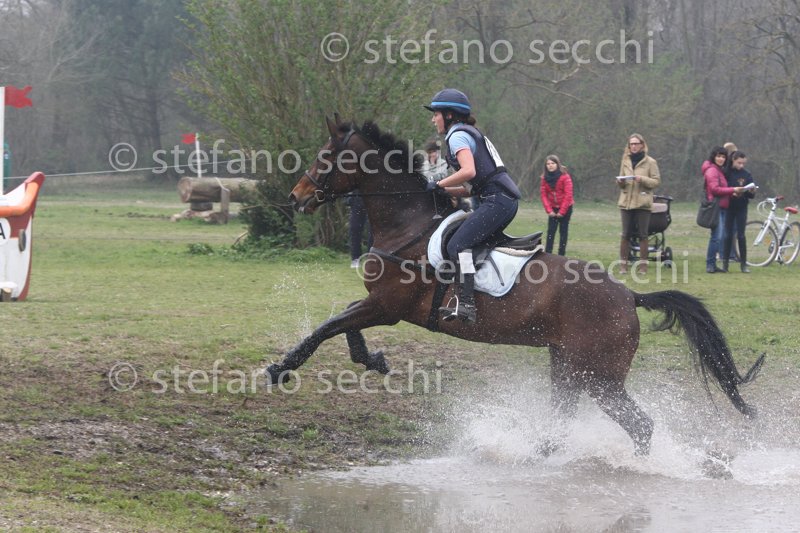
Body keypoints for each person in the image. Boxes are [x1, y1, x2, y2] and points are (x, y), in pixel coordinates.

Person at [424, 88, 521, 324]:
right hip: (502, 201)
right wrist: (444, 190)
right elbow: (470, 188)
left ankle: (467, 304)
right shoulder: (468, 133)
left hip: (497, 201)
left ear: (449, 115)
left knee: (458, 244)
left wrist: (439, 183)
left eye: (436, 114)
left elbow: (468, 171)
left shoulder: (457, 136)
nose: (433, 119)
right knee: (467, 243)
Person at [616, 133, 661, 274]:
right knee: (625, 234)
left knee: (643, 235)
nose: (634, 146)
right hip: (626, 202)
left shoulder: (651, 162)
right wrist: (620, 182)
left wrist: (642, 179)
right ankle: (623, 265)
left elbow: (656, 181)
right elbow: (621, 182)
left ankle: (643, 267)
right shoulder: (625, 160)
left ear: (642, 145)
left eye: (636, 143)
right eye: (631, 144)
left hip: (643, 203)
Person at [703, 146, 745, 273]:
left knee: (718, 236)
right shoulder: (712, 171)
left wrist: (732, 193)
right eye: (718, 156)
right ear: (713, 157)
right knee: (716, 237)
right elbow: (715, 189)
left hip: (722, 207)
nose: (721, 159)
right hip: (715, 207)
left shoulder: (719, 170)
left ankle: (712, 264)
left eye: (723, 157)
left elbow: (721, 190)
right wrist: (732, 189)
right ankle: (710, 265)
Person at [722, 150, 756, 273]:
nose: (741, 165)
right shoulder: (726, 173)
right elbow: (722, 189)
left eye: (743, 163)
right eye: (739, 163)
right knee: (727, 235)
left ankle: (743, 264)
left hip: (742, 207)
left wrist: (752, 191)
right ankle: (725, 264)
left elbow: (751, 195)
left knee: (741, 235)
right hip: (729, 207)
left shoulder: (746, 174)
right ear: (733, 160)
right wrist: (732, 192)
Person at [539, 154, 574, 256]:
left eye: (553, 163)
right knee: (551, 232)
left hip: (566, 208)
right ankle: (548, 254)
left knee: (563, 232)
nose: (550, 165)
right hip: (552, 208)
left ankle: (561, 255)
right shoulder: (544, 178)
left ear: (557, 164)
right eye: (548, 164)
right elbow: (543, 195)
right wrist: (549, 210)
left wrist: (562, 212)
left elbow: (568, 195)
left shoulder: (565, 176)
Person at [347, 193, 372, 268]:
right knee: (354, 228)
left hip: (371, 198)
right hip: (357, 198)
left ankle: (370, 257)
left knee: (371, 230)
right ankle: (355, 258)